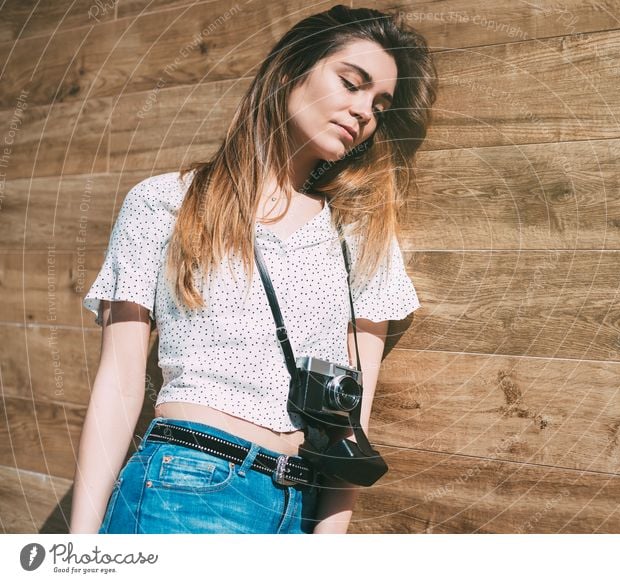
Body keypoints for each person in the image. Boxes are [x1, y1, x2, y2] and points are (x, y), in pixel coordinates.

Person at [69, 4, 438, 535]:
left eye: (379, 104)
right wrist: (80, 548)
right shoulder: (165, 204)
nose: (363, 112)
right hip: (183, 486)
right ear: (290, 71)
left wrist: (327, 537)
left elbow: (353, 415)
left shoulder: (359, 236)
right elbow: (121, 382)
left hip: (296, 502)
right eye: (350, 83)